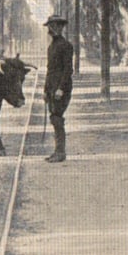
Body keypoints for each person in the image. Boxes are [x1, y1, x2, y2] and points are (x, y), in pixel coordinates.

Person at [43, 14, 73, 163]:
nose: (53, 28)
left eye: (57, 25)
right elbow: (49, 70)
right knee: (54, 118)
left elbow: (68, 70)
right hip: (51, 88)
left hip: (62, 89)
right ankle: (57, 151)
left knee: (57, 118)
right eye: (51, 25)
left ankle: (60, 152)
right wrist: (45, 90)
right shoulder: (52, 47)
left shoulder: (66, 46)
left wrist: (61, 89)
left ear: (61, 27)